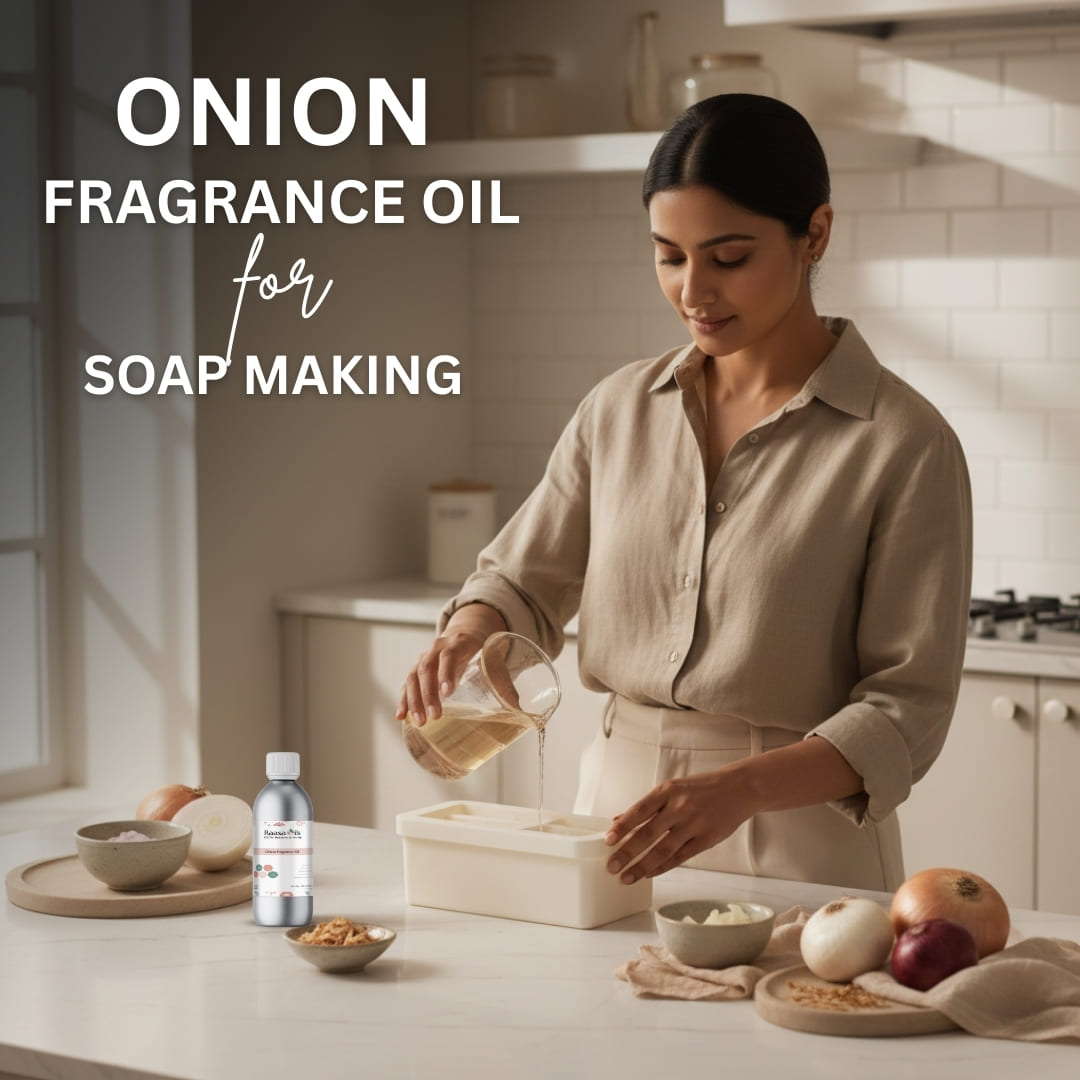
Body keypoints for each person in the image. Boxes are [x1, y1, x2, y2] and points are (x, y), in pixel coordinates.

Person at [397, 93, 973, 893]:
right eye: (669, 256)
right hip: (613, 819)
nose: (693, 290)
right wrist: (472, 630)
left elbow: (907, 711)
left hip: (801, 833)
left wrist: (743, 788)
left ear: (815, 234)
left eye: (728, 258)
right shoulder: (618, 410)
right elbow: (523, 581)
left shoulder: (904, 442)